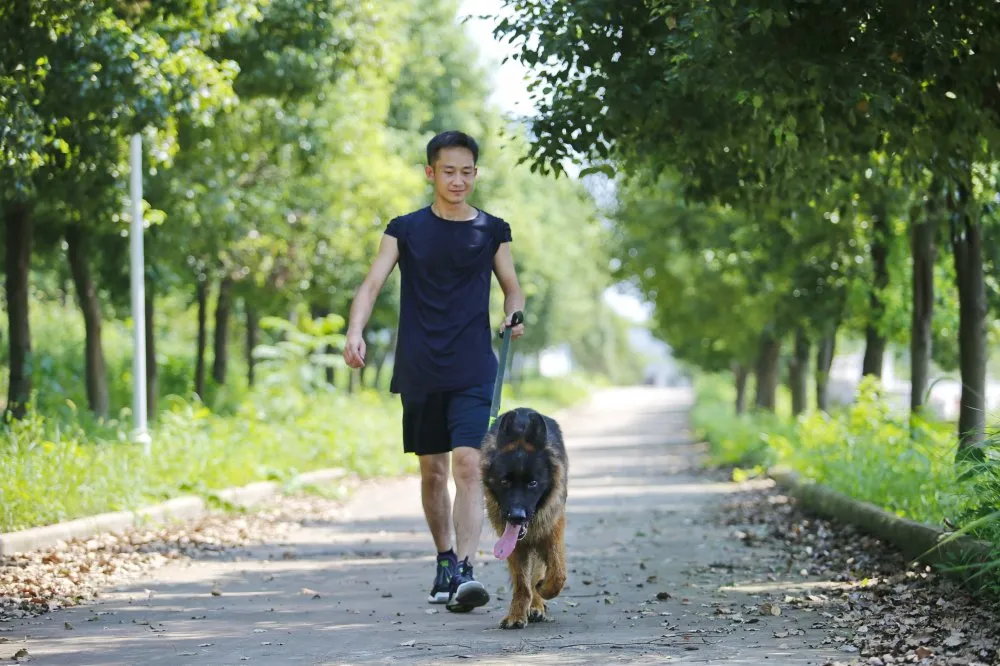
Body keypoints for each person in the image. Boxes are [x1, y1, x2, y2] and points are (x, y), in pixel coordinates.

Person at [342, 130, 525, 613]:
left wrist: (514, 313)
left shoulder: (492, 230)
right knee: (432, 471)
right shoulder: (404, 229)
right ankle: (444, 558)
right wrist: (354, 330)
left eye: (467, 171)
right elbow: (372, 282)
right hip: (420, 366)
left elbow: (513, 288)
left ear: (475, 173)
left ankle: (466, 570)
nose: (458, 180)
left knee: (468, 465)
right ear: (430, 173)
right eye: (449, 171)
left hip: (473, 366)